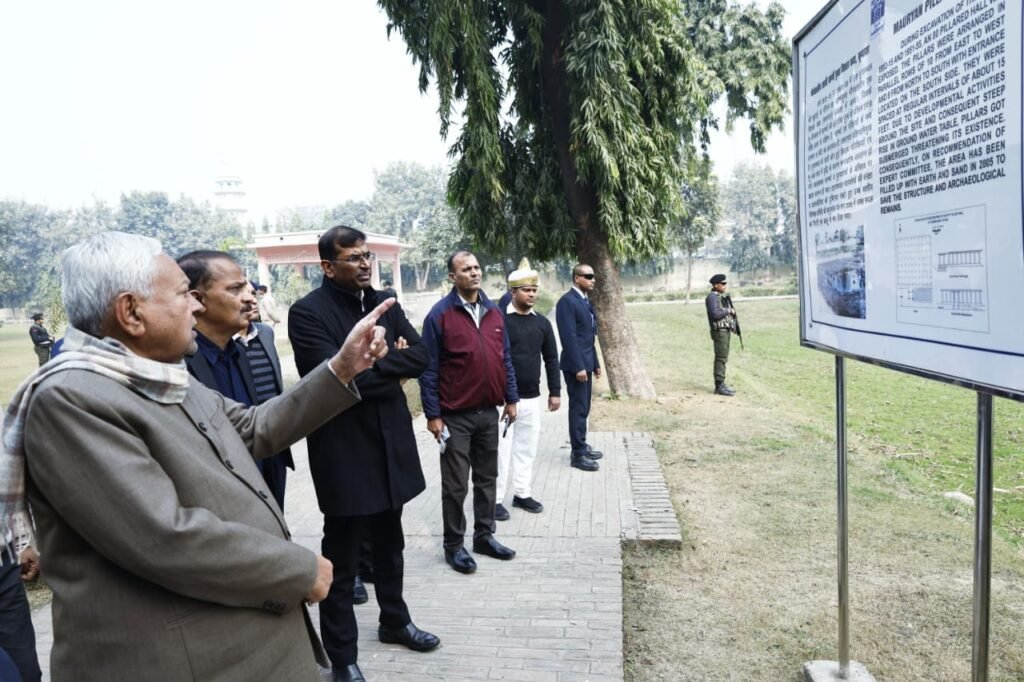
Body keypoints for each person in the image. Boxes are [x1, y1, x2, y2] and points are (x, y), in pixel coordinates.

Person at [7, 230, 391, 681]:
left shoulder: (160, 377)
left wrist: (342, 368)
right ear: (131, 312)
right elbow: (162, 536)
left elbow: (253, 427)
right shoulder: (72, 399)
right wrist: (297, 569)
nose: (195, 306)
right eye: (182, 294)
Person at [289, 226, 439, 682]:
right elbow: (333, 379)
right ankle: (343, 656)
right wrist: (380, 371)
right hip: (344, 453)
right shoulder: (307, 313)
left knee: (391, 547)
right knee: (344, 559)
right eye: (352, 257)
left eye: (366, 256)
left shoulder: (385, 303)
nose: (363, 264)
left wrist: (371, 367)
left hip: (389, 447)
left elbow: (423, 355)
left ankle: (395, 621)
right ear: (327, 266)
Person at [420, 251, 519, 574]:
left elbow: (505, 359)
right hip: (455, 417)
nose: (474, 273)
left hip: (489, 413)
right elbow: (428, 369)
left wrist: (511, 399)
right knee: (456, 484)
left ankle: (484, 536)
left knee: (488, 478)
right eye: (466, 269)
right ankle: (454, 545)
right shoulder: (439, 316)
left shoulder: (494, 312)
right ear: (452, 277)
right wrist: (433, 415)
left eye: (477, 267)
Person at [176, 251, 293, 511]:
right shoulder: (178, 365)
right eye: (236, 288)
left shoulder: (238, 353)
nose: (250, 296)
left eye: (249, 287)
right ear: (197, 300)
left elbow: (252, 423)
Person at [494, 259, 560, 521]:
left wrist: (555, 391)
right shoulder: (498, 322)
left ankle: (522, 493)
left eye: (534, 290)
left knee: (526, 448)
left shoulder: (542, 324)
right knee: (501, 450)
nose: (531, 294)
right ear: (513, 292)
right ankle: (496, 499)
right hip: (502, 399)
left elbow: (551, 359)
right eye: (526, 290)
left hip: (532, 396)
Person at [235, 281, 296, 510]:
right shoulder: (218, 347)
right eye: (240, 293)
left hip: (275, 442)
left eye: (253, 293)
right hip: (244, 444)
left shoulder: (265, 334)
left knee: (276, 507)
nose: (251, 300)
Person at [555, 264, 603, 472]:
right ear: (576, 278)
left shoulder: (584, 301)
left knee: (585, 407)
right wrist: (579, 367)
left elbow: (588, 338)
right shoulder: (567, 302)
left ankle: (581, 444)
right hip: (577, 367)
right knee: (578, 407)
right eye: (588, 276)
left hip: (587, 363)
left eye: (594, 276)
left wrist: (596, 363)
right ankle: (578, 454)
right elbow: (569, 338)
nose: (593, 279)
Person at [706, 273, 738, 396]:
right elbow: (715, 314)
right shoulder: (712, 297)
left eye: (725, 283)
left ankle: (721, 384)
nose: (725, 286)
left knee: (723, 358)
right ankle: (719, 385)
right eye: (722, 284)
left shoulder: (719, 297)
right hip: (719, 332)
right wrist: (728, 310)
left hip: (724, 331)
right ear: (715, 285)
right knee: (720, 358)